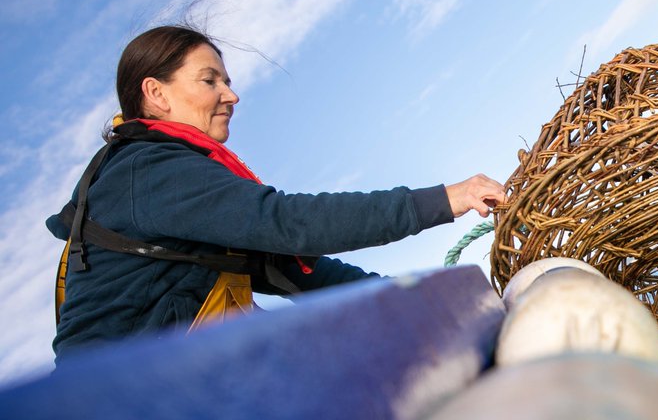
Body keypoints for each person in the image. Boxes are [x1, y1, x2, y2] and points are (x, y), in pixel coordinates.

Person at [47, 25, 506, 358]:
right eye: (211, 80)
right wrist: (445, 198)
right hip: (109, 418)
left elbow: (299, 271)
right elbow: (289, 225)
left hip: (167, 391)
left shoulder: (173, 182)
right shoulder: (145, 171)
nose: (231, 95)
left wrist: (424, 302)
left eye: (226, 80)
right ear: (157, 94)